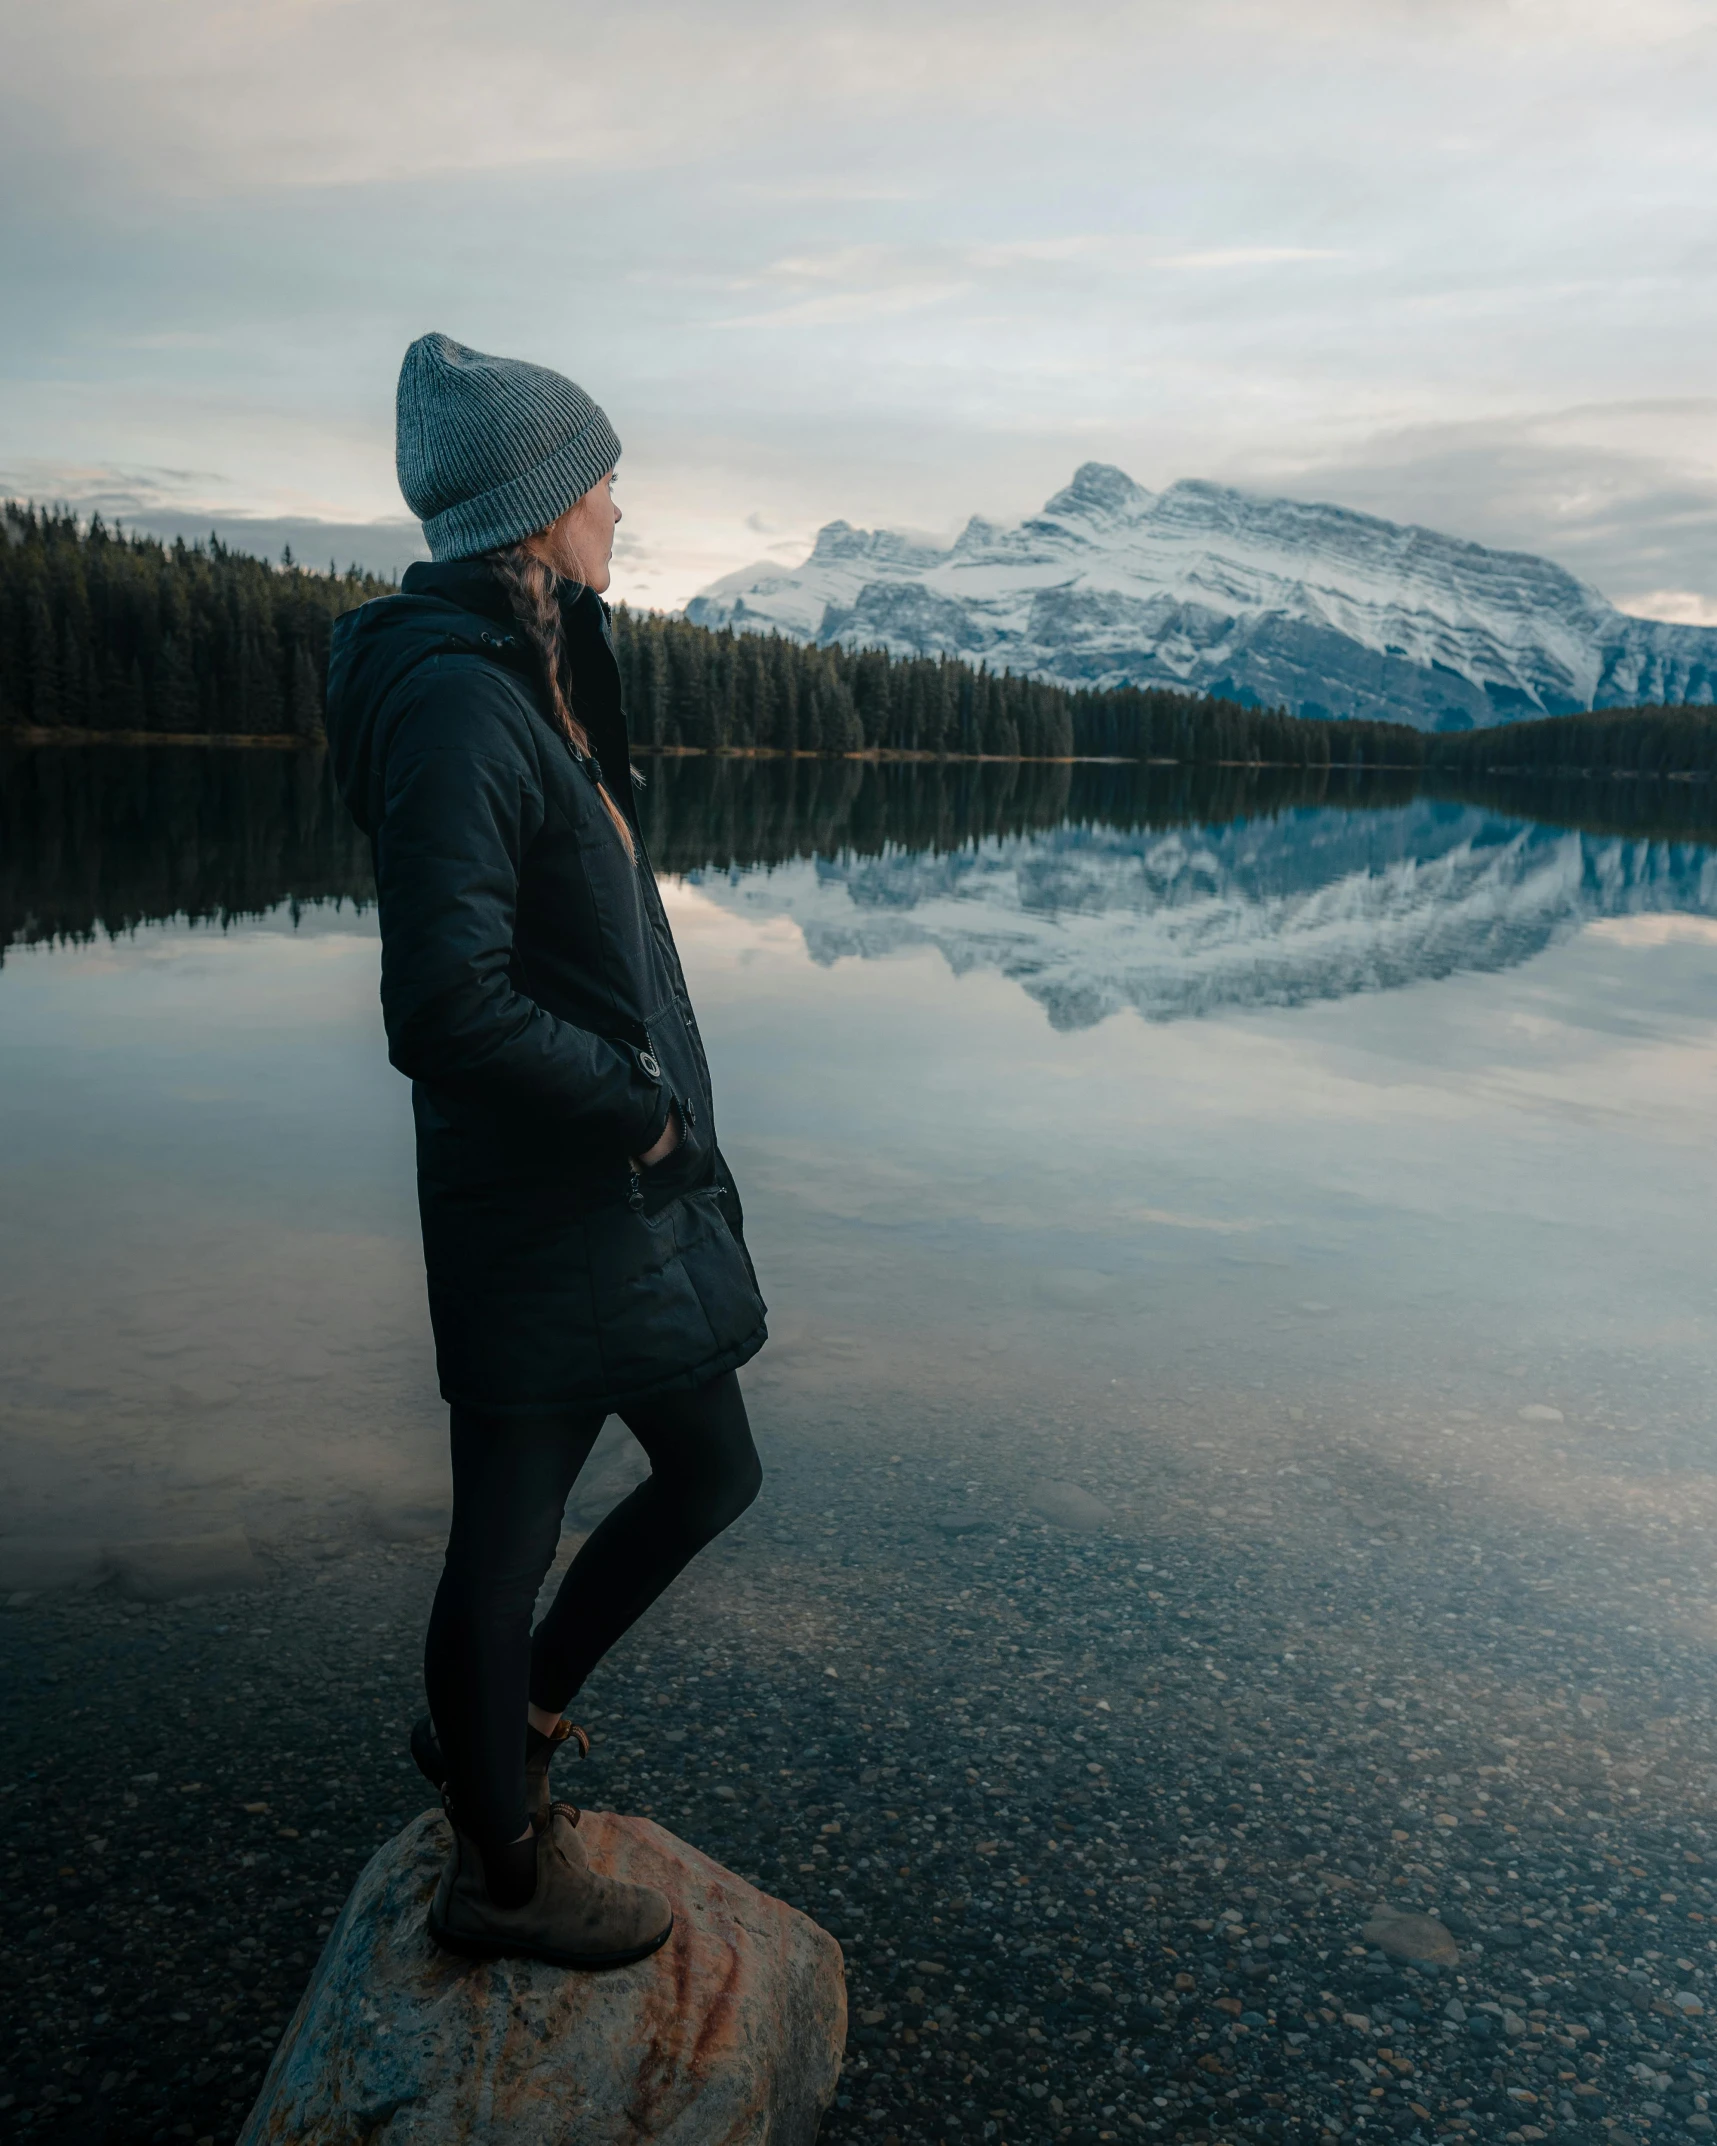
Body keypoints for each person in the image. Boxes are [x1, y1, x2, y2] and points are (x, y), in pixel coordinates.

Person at [323, 333, 768, 1969]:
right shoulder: (455, 700)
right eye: (597, 480)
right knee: (502, 1541)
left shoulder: (531, 663)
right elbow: (445, 1003)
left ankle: (510, 1727)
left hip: (602, 1193)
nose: (618, 506)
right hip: (545, 1188)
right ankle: (500, 1871)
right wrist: (634, 1101)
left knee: (714, 1467)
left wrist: (645, 1120)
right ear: (531, 506)